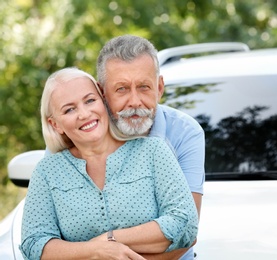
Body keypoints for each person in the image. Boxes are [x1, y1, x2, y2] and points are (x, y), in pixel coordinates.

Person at [20, 68, 198, 260]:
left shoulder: (153, 151)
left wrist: (110, 239)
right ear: (56, 125)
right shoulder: (47, 172)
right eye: (69, 109)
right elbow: (34, 243)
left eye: (90, 100)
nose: (84, 114)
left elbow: (185, 224)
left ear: (103, 100)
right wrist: (96, 250)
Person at [96, 35, 205, 259]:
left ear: (159, 87)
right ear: (102, 93)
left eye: (144, 87)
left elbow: (186, 233)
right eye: (122, 89)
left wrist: (106, 242)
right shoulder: (80, 134)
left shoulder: (185, 133)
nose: (135, 101)